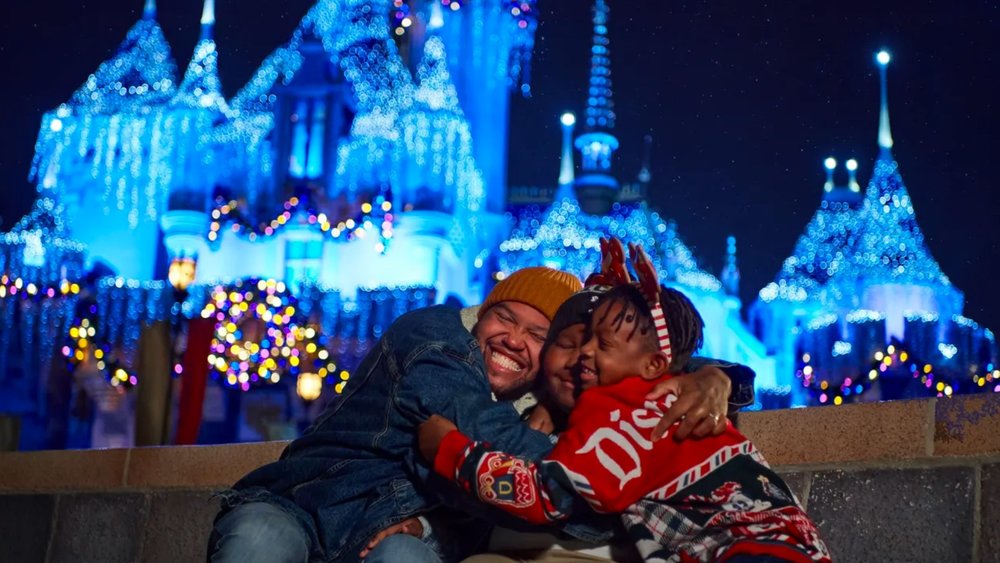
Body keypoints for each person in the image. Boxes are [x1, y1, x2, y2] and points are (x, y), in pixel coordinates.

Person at [208, 266, 754, 563]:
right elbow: (506, 454)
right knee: (259, 543)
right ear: (480, 312)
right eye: (503, 317)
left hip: (400, 536)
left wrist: (715, 375)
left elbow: (641, 360)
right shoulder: (435, 340)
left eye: (539, 335)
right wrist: (598, 483)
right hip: (304, 504)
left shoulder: (540, 393)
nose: (513, 339)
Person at [420, 259, 829, 562]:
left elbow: (547, 495)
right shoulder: (655, 393)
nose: (584, 355)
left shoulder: (630, 414)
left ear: (656, 366)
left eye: (600, 343)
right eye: (570, 343)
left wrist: (449, 450)